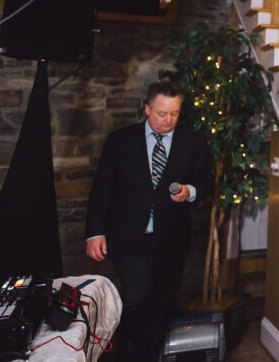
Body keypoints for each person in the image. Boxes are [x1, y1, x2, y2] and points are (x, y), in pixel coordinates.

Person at [85, 81, 213, 361]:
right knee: (138, 297)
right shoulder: (119, 141)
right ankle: (121, 349)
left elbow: (206, 183)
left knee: (162, 307)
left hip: (171, 239)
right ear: (147, 108)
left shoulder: (192, 141)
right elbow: (101, 191)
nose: (168, 120)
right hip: (130, 238)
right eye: (161, 113)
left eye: (174, 114)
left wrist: (189, 192)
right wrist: (95, 232)